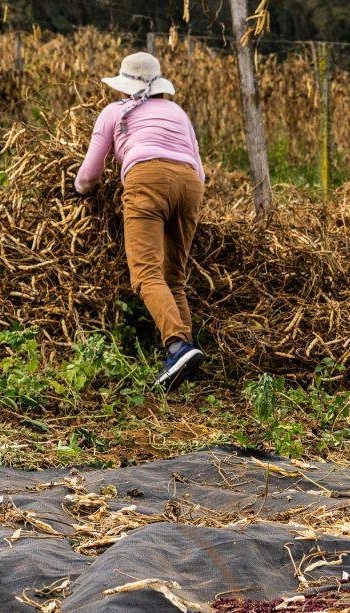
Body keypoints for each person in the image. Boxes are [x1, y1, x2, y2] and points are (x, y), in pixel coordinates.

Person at [74, 52, 206, 392]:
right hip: (191, 186)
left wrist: (77, 191)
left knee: (145, 271)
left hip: (147, 179)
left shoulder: (115, 112)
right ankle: (186, 366)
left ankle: (177, 345)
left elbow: (89, 174)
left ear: (124, 85)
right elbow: (198, 165)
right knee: (173, 277)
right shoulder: (178, 112)